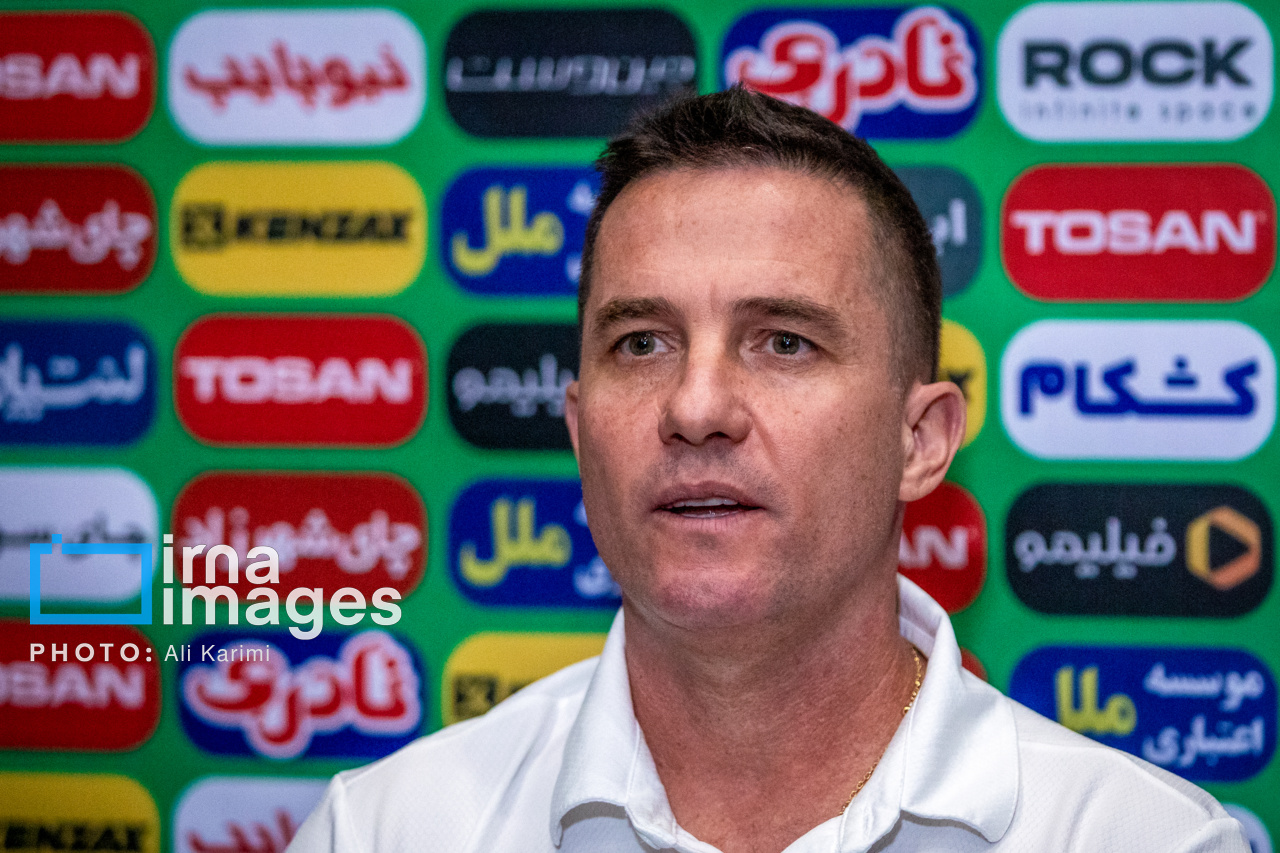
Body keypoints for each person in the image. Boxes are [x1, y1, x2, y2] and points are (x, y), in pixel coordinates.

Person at [289, 87, 1248, 853]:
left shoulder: (1141, 837)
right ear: (580, 435)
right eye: (641, 342)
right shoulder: (382, 829)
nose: (695, 406)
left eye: (784, 341)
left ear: (921, 440)